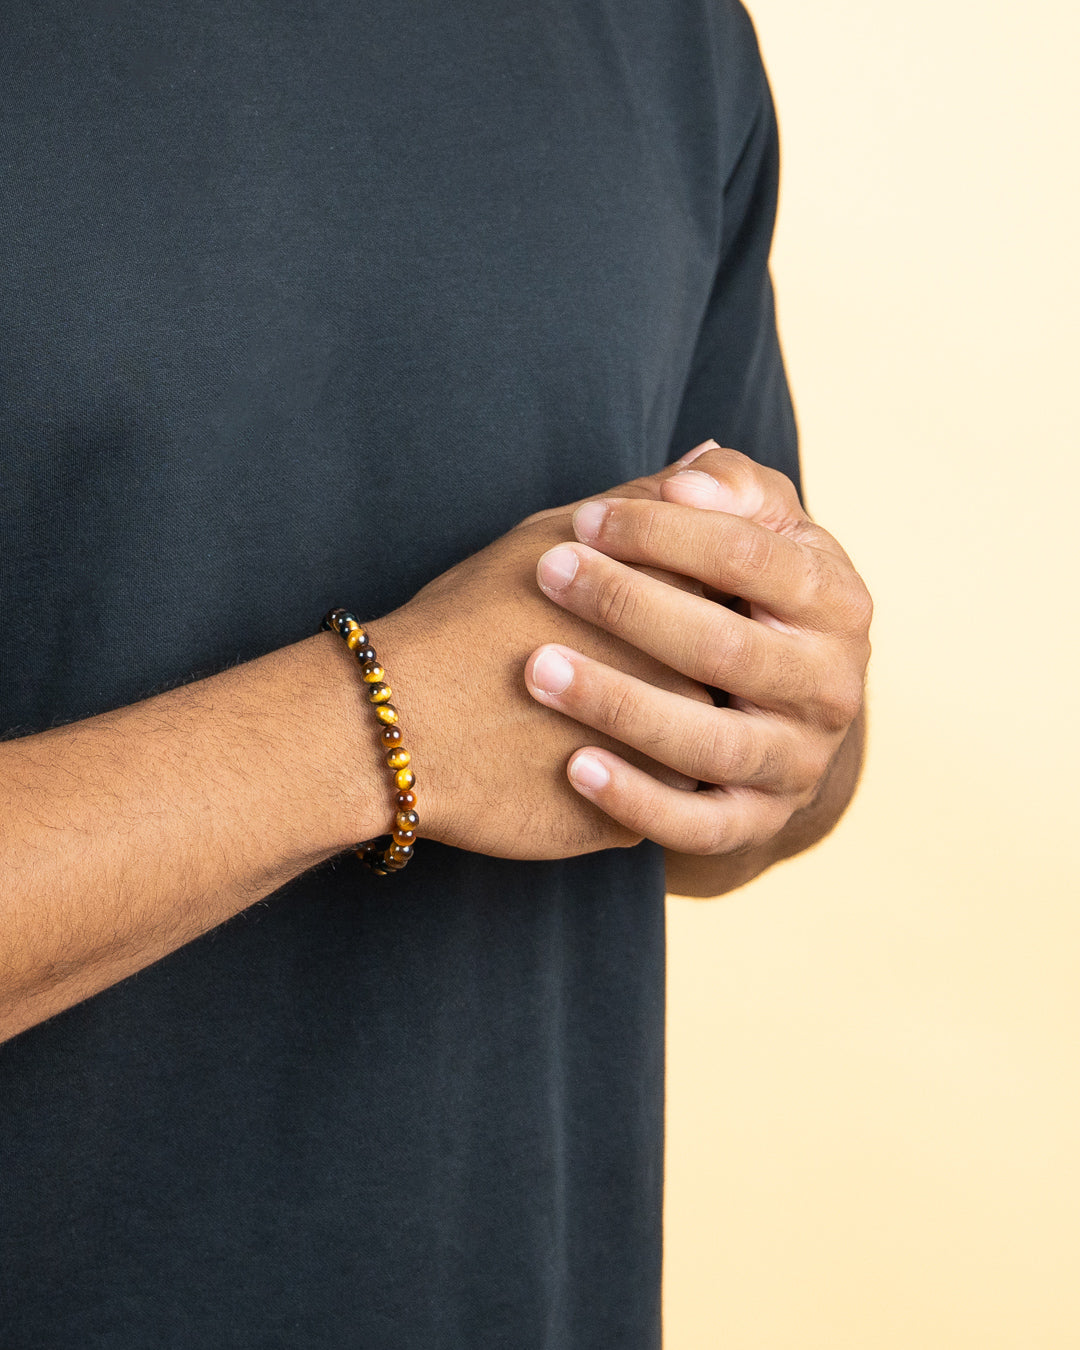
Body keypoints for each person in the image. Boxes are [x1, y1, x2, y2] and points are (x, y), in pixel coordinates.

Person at [0, 1, 870, 1346]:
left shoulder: (669, 36)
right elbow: (472, 714)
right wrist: (376, 726)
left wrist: (775, 712)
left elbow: (744, 781)